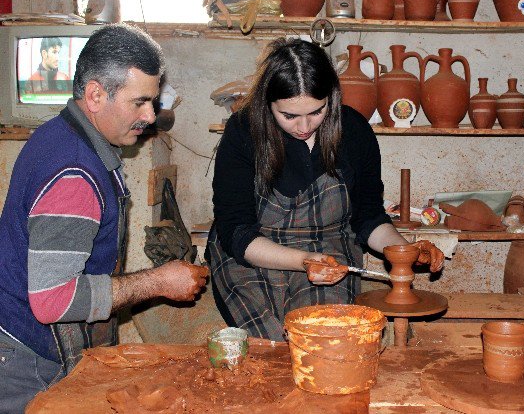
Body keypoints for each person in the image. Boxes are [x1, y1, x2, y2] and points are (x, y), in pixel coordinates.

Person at [0, 24, 209, 413]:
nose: (150, 115)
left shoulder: (61, 133)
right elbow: (52, 302)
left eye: (154, 100)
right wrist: (158, 281)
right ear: (95, 94)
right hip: (24, 359)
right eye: (140, 102)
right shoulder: (74, 172)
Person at [205, 38, 445, 341]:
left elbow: (368, 216)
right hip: (254, 248)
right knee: (268, 341)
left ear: (331, 98)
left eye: (316, 112)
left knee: (320, 337)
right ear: (267, 104)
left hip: (326, 246)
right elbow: (236, 229)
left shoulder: (354, 131)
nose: (304, 126)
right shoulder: (244, 131)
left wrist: (402, 250)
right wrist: (301, 261)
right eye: (289, 116)